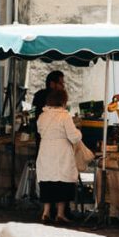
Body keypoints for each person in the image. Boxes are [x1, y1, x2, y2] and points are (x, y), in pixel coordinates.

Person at [36, 88, 82, 223]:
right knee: (62, 180)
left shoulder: (42, 116)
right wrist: (79, 132)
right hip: (61, 151)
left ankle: (46, 212)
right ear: (63, 101)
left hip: (45, 150)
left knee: (47, 180)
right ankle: (60, 214)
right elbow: (74, 137)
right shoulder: (65, 116)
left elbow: (40, 131)